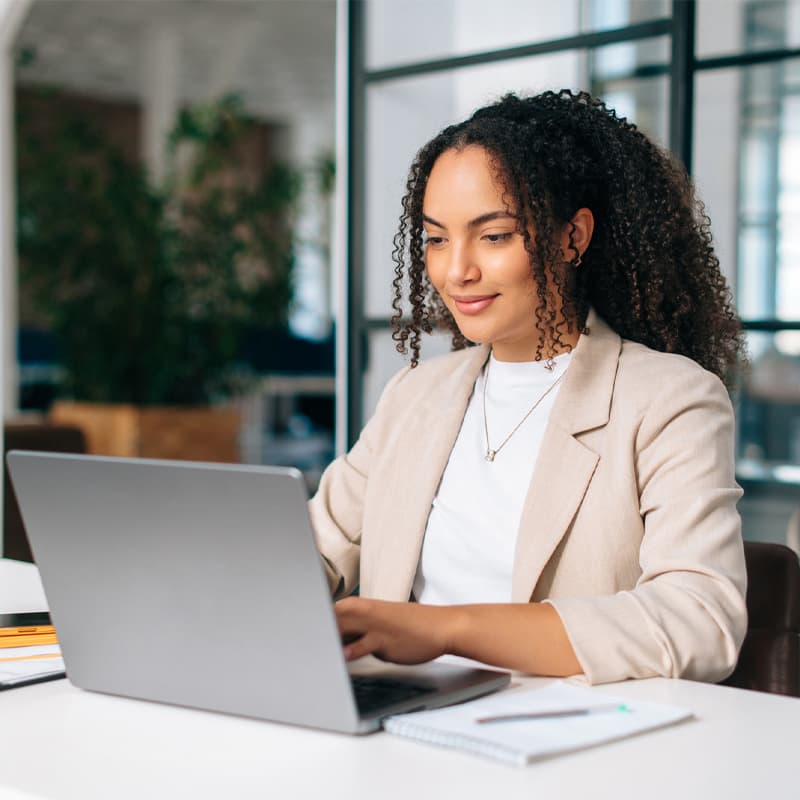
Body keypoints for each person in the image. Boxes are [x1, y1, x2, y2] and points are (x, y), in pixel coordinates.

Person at [310, 90, 747, 684]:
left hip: (563, 743)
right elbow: (308, 549)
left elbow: (701, 620)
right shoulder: (415, 396)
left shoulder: (669, 400)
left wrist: (444, 629)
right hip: (401, 726)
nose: (456, 270)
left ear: (572, 237)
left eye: (493, 236)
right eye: (437, 239)